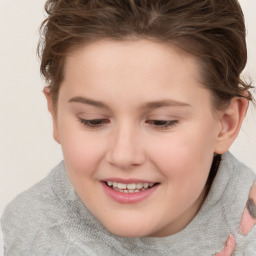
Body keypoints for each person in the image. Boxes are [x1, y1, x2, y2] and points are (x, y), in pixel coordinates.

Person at [1, 0, 255, 255]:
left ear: (226, 123)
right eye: (93, 120)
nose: (123, 155)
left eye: (161, 122)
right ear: (55, 115)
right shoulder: (29, 237)